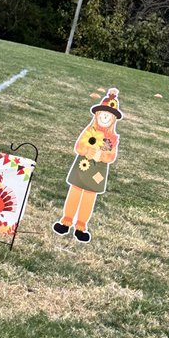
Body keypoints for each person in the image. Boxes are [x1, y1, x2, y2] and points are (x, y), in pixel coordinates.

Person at [53, 88, 122, 243]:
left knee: (89, 198)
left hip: (97, 172)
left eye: (108, 116)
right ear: (97, 115)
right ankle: (66, 220)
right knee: (75, 192)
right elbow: (79, 146)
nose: (105, 118)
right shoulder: (89, 131)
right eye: (102, 115)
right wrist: (87, 151)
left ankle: (81, 226)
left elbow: (111, 156)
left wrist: (102, 155)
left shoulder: (112, 138)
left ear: (113, 120)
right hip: (81, 166)